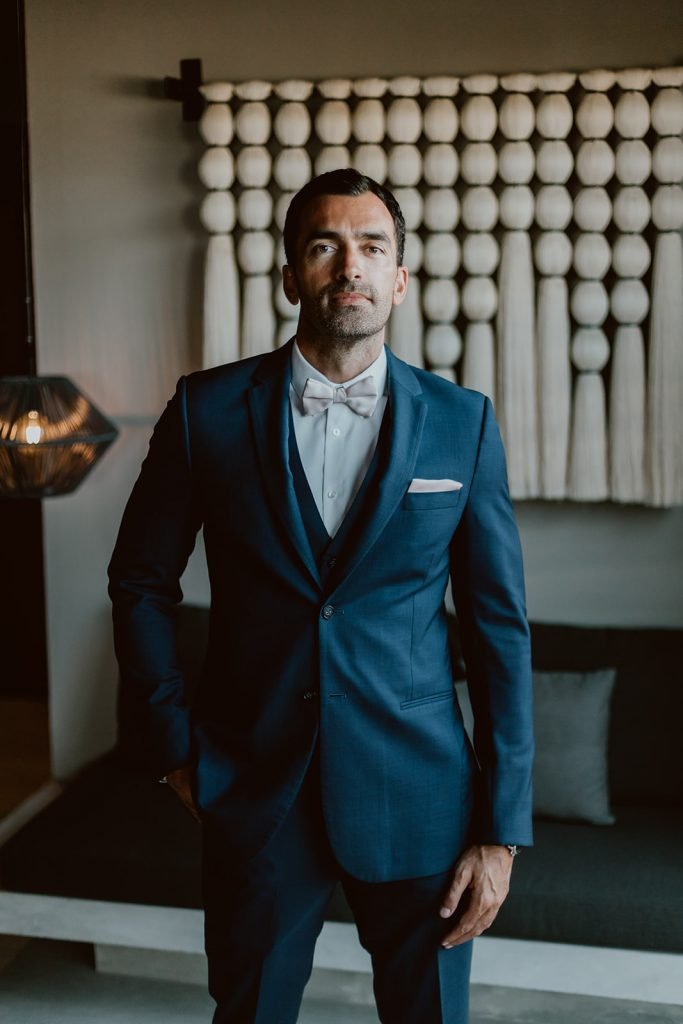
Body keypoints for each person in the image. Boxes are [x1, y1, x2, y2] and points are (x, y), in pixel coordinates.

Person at [108, 168, 534, 1024]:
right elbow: (140, 580)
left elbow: (498, 630)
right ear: (290, 275)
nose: (351, 266)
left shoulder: (463, 422)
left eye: (372, 247)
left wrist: (501, 826)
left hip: (420, 796)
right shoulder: (207, 411)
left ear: (400, 279)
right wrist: (170, 745)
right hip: (254, 783)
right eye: (324, 246)